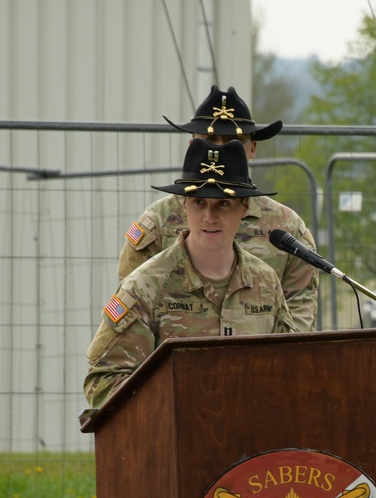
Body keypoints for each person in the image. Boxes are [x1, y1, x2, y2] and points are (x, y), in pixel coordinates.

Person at [85, 139, 296, 408]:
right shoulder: (146, 286)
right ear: (183, 204)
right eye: (199, 202)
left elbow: (290, 368)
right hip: (173, 439)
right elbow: (103, 382)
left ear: (244, 208)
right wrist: (180, 402)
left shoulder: (265, 282)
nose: (209, 216)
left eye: (223, 204)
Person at [117, 85, 319, 331]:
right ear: (193, 146)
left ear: (252, 148)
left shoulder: (286, 228)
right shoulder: (158, 220)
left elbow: (299, 311)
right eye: (211, 140)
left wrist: (274, 362)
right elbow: (131, 299)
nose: (220, 149)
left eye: (234, 141)